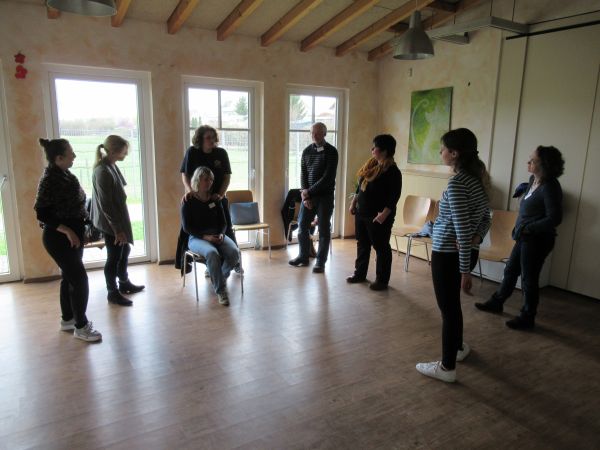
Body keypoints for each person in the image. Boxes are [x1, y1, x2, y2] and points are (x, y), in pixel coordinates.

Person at [416, 128, 491, 383]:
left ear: (455, 153)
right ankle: (457, 349)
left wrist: (465, 271)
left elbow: (461, 227)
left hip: (449, 257)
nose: (441, 152)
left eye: (443, 149)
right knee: (453, 308)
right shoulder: (477, 180)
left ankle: (447, 368)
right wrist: (477, 239)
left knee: (448, 310)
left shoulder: (458, 183)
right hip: (462, 255)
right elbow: (486, 219)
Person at [475, 146, 564, 330]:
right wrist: (521, 228)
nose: (528, 162)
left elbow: (555, 218)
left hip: (538, 240)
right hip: (525, 237)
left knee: (528, 279)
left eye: (532, 160)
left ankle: (527, 317)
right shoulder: (533, 180)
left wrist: (528, 228)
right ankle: (497, 302)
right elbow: (528, 210)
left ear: (544, 164)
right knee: (510, 270)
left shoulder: (550, 186)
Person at [34, 138, 102, 342]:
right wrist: (68, 231)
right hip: (58, 239)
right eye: (71, 153)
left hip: (72, 236)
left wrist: (84, 228)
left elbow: (77, 205)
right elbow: (41, 213)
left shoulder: (65, 174)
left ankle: (68, 319)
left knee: (70, 277)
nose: (74, 156)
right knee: (80, 280)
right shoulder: (49, 179)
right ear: (59, 158)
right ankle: (81, 327)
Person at [91, 135, 144, 307]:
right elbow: (105, 205)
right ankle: (112, 292)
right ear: (113, 151)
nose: (126, 154)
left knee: (124, 249)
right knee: (114, 256)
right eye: (124, 151)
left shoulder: (111, 165)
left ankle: (124, 282)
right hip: (110, 222)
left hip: (117, 218)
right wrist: (117, 230)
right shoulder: (102, 171)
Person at [180, 125, 241, 273]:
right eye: (208, 138)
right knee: (197, 231)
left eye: (214, 137)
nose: (212, 140)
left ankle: (234, 263)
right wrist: (191, 192)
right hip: (198, 199)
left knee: (226, 231)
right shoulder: (192, 152)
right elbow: (185, 175)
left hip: (217, 199)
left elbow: (227, 177)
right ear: (200, 139)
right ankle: (212, 266)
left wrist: (220, 194)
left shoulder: (221, 153)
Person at [347, 134, 402, 290]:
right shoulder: (371, 166)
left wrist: (384, 214)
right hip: (362, 212)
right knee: (362, 244)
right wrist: (353, 203)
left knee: (381, 246)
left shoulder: (392, 171)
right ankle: (359, 274)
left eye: (375, 147)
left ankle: (382, 280)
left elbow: (394, 196)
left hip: (378, 216)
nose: (372, 149)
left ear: (384, 151)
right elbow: (360, 188)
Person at [181, 166, 240, 306]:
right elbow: (187, 228)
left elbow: (224, 223)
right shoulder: (188, 201)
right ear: (197, 180)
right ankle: (221, 290)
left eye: (211, 180)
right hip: (197, 238)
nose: (209, 182)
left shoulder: (215, 199)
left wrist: (221, 234)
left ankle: (219, 277)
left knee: (234, 252)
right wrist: (206, 237)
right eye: (206, 179)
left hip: (217, 235)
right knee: (212, 253)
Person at [289, 122, 338, 273]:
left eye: (317, 133)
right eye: (312, 133)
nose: (314, 136)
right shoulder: (306, 151)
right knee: (302, 226)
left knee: (323, 229)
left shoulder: (332, 151)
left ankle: (320, 262)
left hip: (325, 198)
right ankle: (303, 256)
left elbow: (328, 178)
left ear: (325, 133)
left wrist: (308, 192)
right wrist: (305, 196)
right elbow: (303, 174)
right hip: (309, 197)